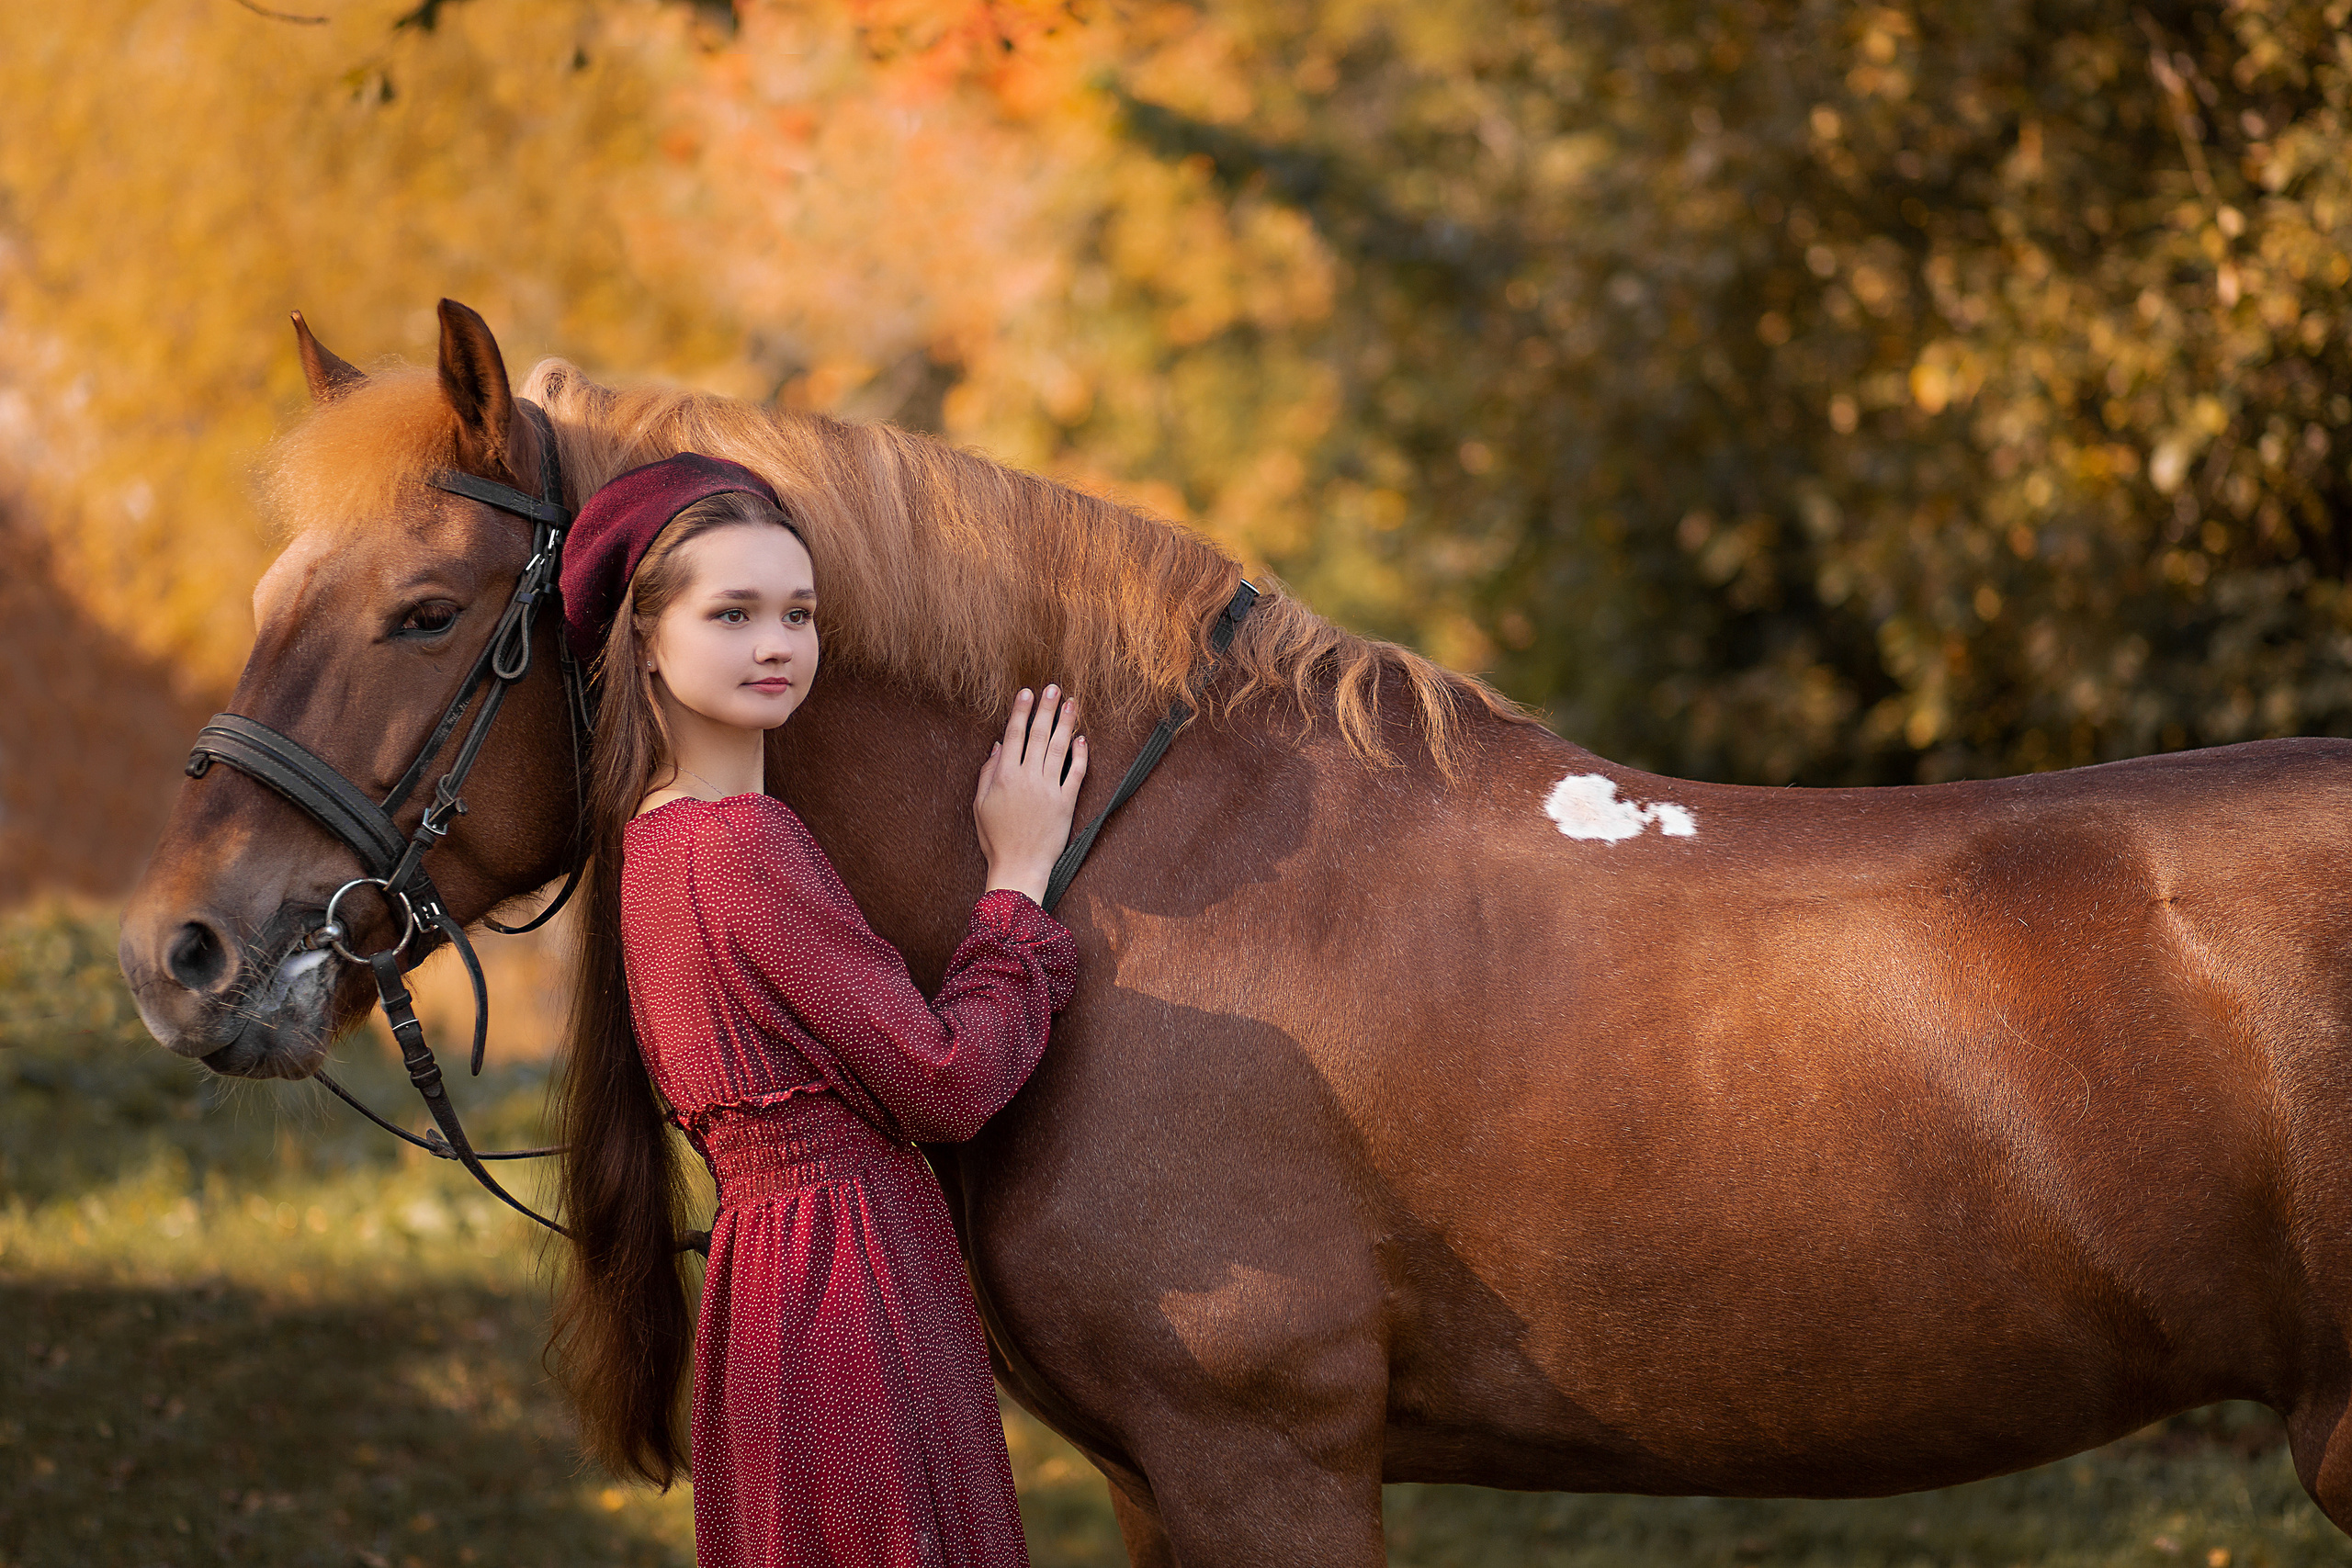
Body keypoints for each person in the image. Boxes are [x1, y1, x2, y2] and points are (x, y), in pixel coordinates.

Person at [547, 452, 1086, 1568]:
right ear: (644, 636)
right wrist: (1017, 878)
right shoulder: (742, 845)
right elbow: (948, 1082)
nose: (778, 642)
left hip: (774, 1300)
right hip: (853, 1298)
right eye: (732, 613)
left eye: (799, 612)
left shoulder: (648, 846)